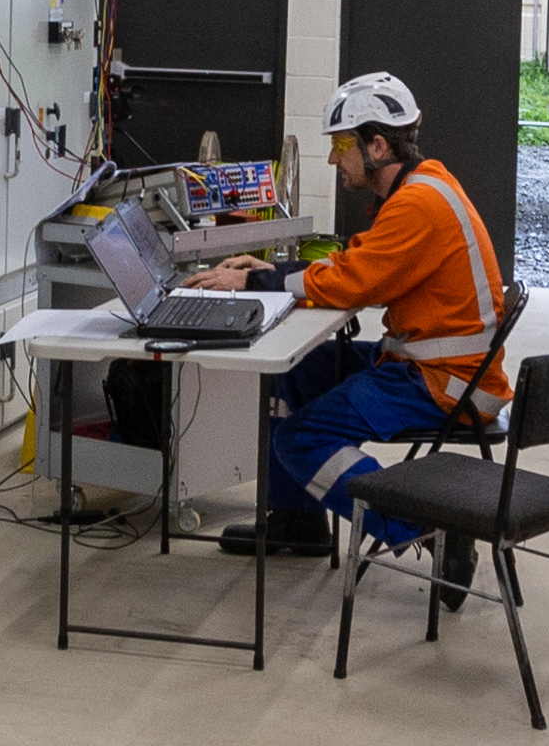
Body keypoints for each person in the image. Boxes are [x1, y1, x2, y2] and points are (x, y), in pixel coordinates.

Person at [203, 72, 511, 561]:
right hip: (433, 366)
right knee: (296, 369)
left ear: (378, 146)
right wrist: (275, 269)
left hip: (445, 382)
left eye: (340, 146)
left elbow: (351, 285)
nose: (331, 159)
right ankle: (298, 521)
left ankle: (426, 527)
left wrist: (254, 283)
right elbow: (360, 264)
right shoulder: (424, 184)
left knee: (301, 437)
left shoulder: (418, 203)